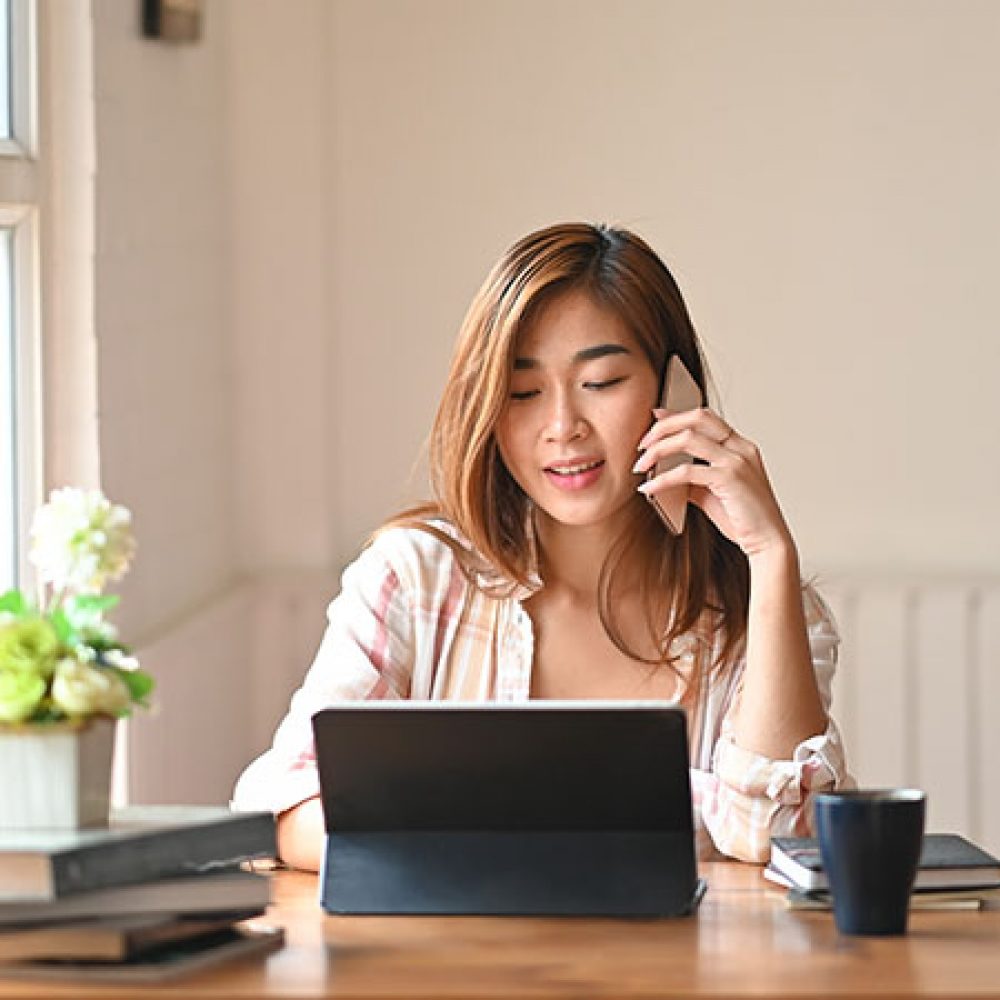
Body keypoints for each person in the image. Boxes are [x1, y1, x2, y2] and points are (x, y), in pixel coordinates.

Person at [232, 222, 849, 869]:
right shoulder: (414, 579)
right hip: (458, 967)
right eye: (524, 393)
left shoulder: (765, 616)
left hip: (675, 970)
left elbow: (779, 835)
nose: (562, 427)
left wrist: (772, 555)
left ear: (675, 389)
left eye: (603, 382)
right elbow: (281, 808)